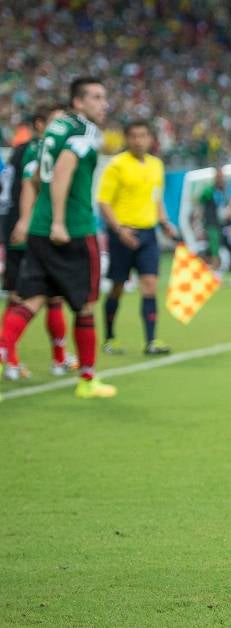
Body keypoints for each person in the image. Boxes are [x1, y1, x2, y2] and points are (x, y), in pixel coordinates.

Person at [0, 77, 117, 400]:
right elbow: (64, 169)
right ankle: (88, 379)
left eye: (104, 97)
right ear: (77, 102)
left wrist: (33, 218)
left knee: (32, 298)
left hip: (39, 227)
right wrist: (61, 221)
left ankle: (2, 349)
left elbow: (37, 177)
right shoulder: (84, 130)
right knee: (86, 306)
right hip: (73, 229)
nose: (103, 103)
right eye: (95, 97)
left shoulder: (54, 129)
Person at [0, 103, 78, 380]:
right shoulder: (39, 150)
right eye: (57, 123)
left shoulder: (24, 152)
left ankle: (49, 358)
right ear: (40, 125)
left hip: (25, 231)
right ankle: (9, 355)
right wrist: (24, 221)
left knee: (47, 297)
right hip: (32, 233)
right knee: (29, 298)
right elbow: (29, 188)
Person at [97, 120, 178, 355]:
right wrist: (119, 230)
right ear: (126, 138)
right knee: (117, 287)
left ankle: (151, 341)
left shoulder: (156, 165)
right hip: (123, 233)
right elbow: (103, 201)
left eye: (143, 135)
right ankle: (110, 338)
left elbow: (156, 198)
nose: (138, 140)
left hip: (148, 234)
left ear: (150, 138)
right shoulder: (116, 165)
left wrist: (164, 222)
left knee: (150, 285)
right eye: (133, 136)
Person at [193, 167, 228, 270]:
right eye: (219, 176)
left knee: (214, 246)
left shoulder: (223, 191)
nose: (221, 179)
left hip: (219, 224)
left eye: (222, 177)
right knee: (214, 247)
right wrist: (197, 221)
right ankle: (215, 269)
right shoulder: (209, 191)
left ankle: (203, 264)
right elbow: (199, 204)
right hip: (211, 223)